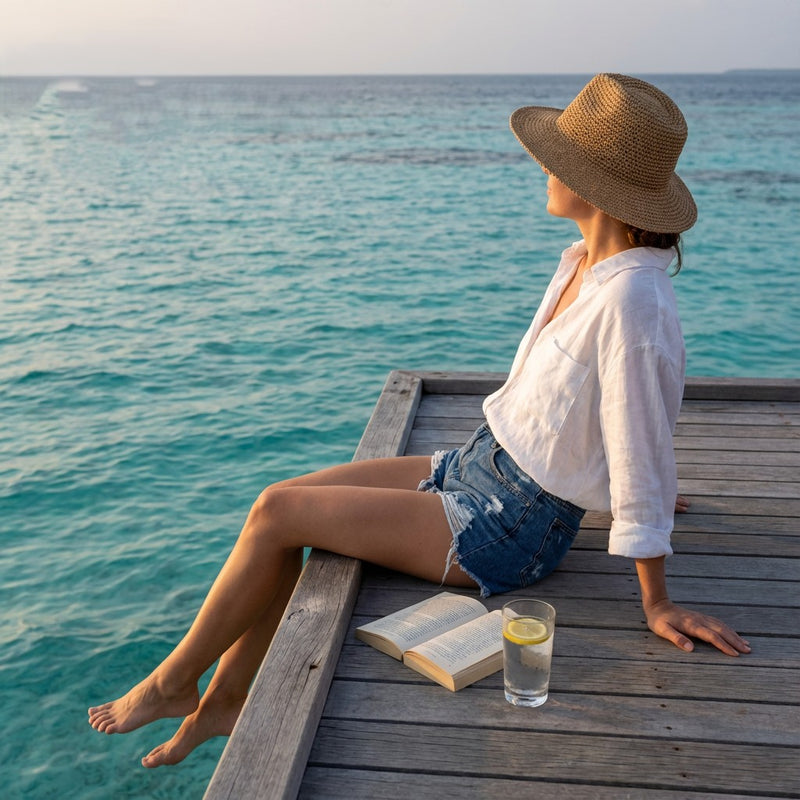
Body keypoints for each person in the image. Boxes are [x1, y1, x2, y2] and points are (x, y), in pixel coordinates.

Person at [88, 73, 750, 768]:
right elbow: (585, 417)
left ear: (594, 182)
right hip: (474, 466)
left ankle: (170, 684)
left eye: (559, 158)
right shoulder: (585, 262)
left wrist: (657, 599)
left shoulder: (634, 301)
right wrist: (615, 484)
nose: (544, 167)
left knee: (279, 512)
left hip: (509, 526)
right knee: (280, 508)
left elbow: (640, 431)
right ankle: (223, 700)